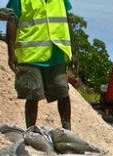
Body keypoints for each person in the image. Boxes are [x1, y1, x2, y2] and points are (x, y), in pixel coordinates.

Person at [6, 0, 74, 130]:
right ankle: (31, 130)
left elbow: (67, 21)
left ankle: (67, 130)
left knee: (63, 93)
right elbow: (12, 21)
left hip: (56, 52)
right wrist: (11, 53)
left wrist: (73, 52)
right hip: (30, 54)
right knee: (33, 94)